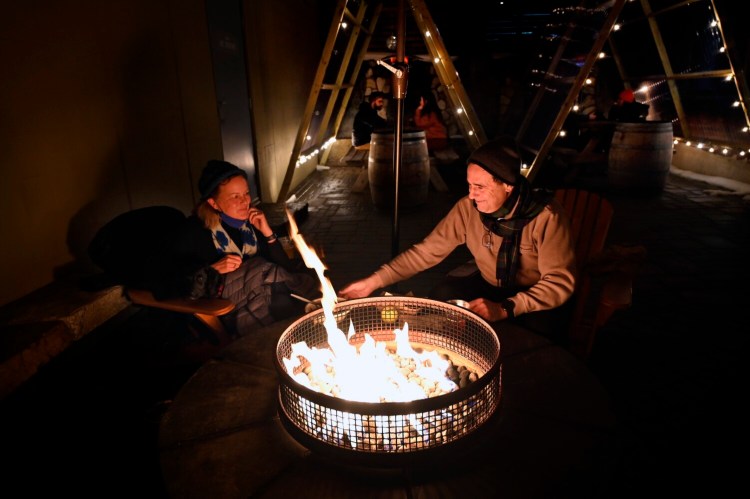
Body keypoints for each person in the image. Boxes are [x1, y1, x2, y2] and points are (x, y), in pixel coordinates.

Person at [339, 137, 577, 340]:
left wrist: (506, 308)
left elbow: (559, 282)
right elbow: (426, 252)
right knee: (442, 295)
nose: (472, 195)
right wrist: (374, 281)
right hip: (490, 283)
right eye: (469, 185)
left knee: (537, 333)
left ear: (507, 186)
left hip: (534, 294)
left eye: (480, 187)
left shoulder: (546, 217)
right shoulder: (468, 208)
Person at [164, 160, 319, 336]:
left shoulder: (250, 224)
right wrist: (212, 269)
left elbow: (285, 266)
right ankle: (294, 332)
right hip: (221, 305)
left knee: (277, 282)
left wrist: (267, 232)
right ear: (214, 203)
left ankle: (298, 333)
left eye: (246, 193)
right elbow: (170, 283)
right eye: (235, 196)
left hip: (262, 292)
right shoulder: (193, 231)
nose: (245, 201)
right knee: (267, 273)